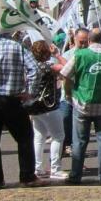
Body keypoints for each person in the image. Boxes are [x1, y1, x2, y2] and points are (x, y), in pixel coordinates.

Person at [0, 20, 43, 189]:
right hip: (12, 98)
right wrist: (30, 92)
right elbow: (35, 70)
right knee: (25, 137)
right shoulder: (17, 47)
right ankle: (27, 176)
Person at [60, 28, 101, 185]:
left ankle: (75, 175)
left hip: (82, 102)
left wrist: (68, 93)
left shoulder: (79, 55)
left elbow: (65, 74)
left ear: (89, 40)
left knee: (79, 141)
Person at [26, 40, 66, 180]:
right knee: (58, 136)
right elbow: (67, 68)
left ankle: (37, 168)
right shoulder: (48, 66)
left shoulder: (31, 66)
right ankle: (55, 168)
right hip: (49, 105)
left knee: (39, 137)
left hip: (34, 106)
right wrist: (58, 54)